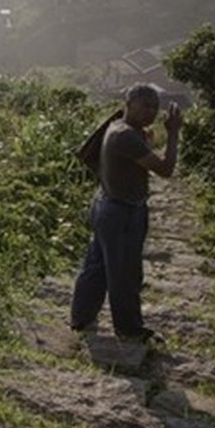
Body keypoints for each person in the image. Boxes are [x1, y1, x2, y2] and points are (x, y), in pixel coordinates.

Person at [69, 83, 182, 343]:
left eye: (155, 106)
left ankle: (81, 317)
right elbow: (165, 169)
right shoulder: (126, 136)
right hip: (121, 213)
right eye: (145, 105)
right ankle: (129, 328)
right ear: (128, 104)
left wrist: (148, 138)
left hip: (107, 205)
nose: (151, 111)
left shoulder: (122, 128)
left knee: (96, 266)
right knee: (125, 272)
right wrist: (174, 133)